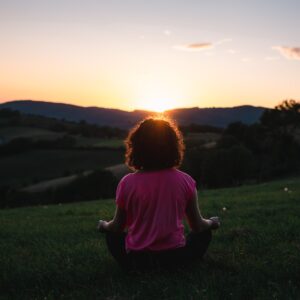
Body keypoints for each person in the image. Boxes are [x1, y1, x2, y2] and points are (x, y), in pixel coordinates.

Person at [97, 117, 220, 271]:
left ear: (136, 147)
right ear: (173, 147)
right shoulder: (185, 180)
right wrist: (212, 223)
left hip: (136, 262)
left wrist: (104, 225)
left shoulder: (127, 182)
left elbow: (117, 227)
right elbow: (198, 226)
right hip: (176, 260)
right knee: (204, 233)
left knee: (112, 236)